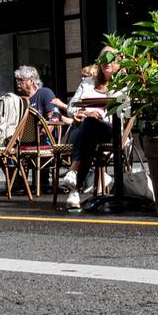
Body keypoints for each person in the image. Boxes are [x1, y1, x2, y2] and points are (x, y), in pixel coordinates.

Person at [58, 54, 119, 209]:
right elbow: (71, 107)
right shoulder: (87, 83)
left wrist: (92, 115)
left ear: (119, 63)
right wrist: (81, 113)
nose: (107, 62)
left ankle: (74, 174)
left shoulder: (121, 84)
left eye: (112, 59)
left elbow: (123, 111)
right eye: (104, 59)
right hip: (85, 130)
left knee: (90, 124)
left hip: (110, 129)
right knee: (89, 133)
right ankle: (74, 192)